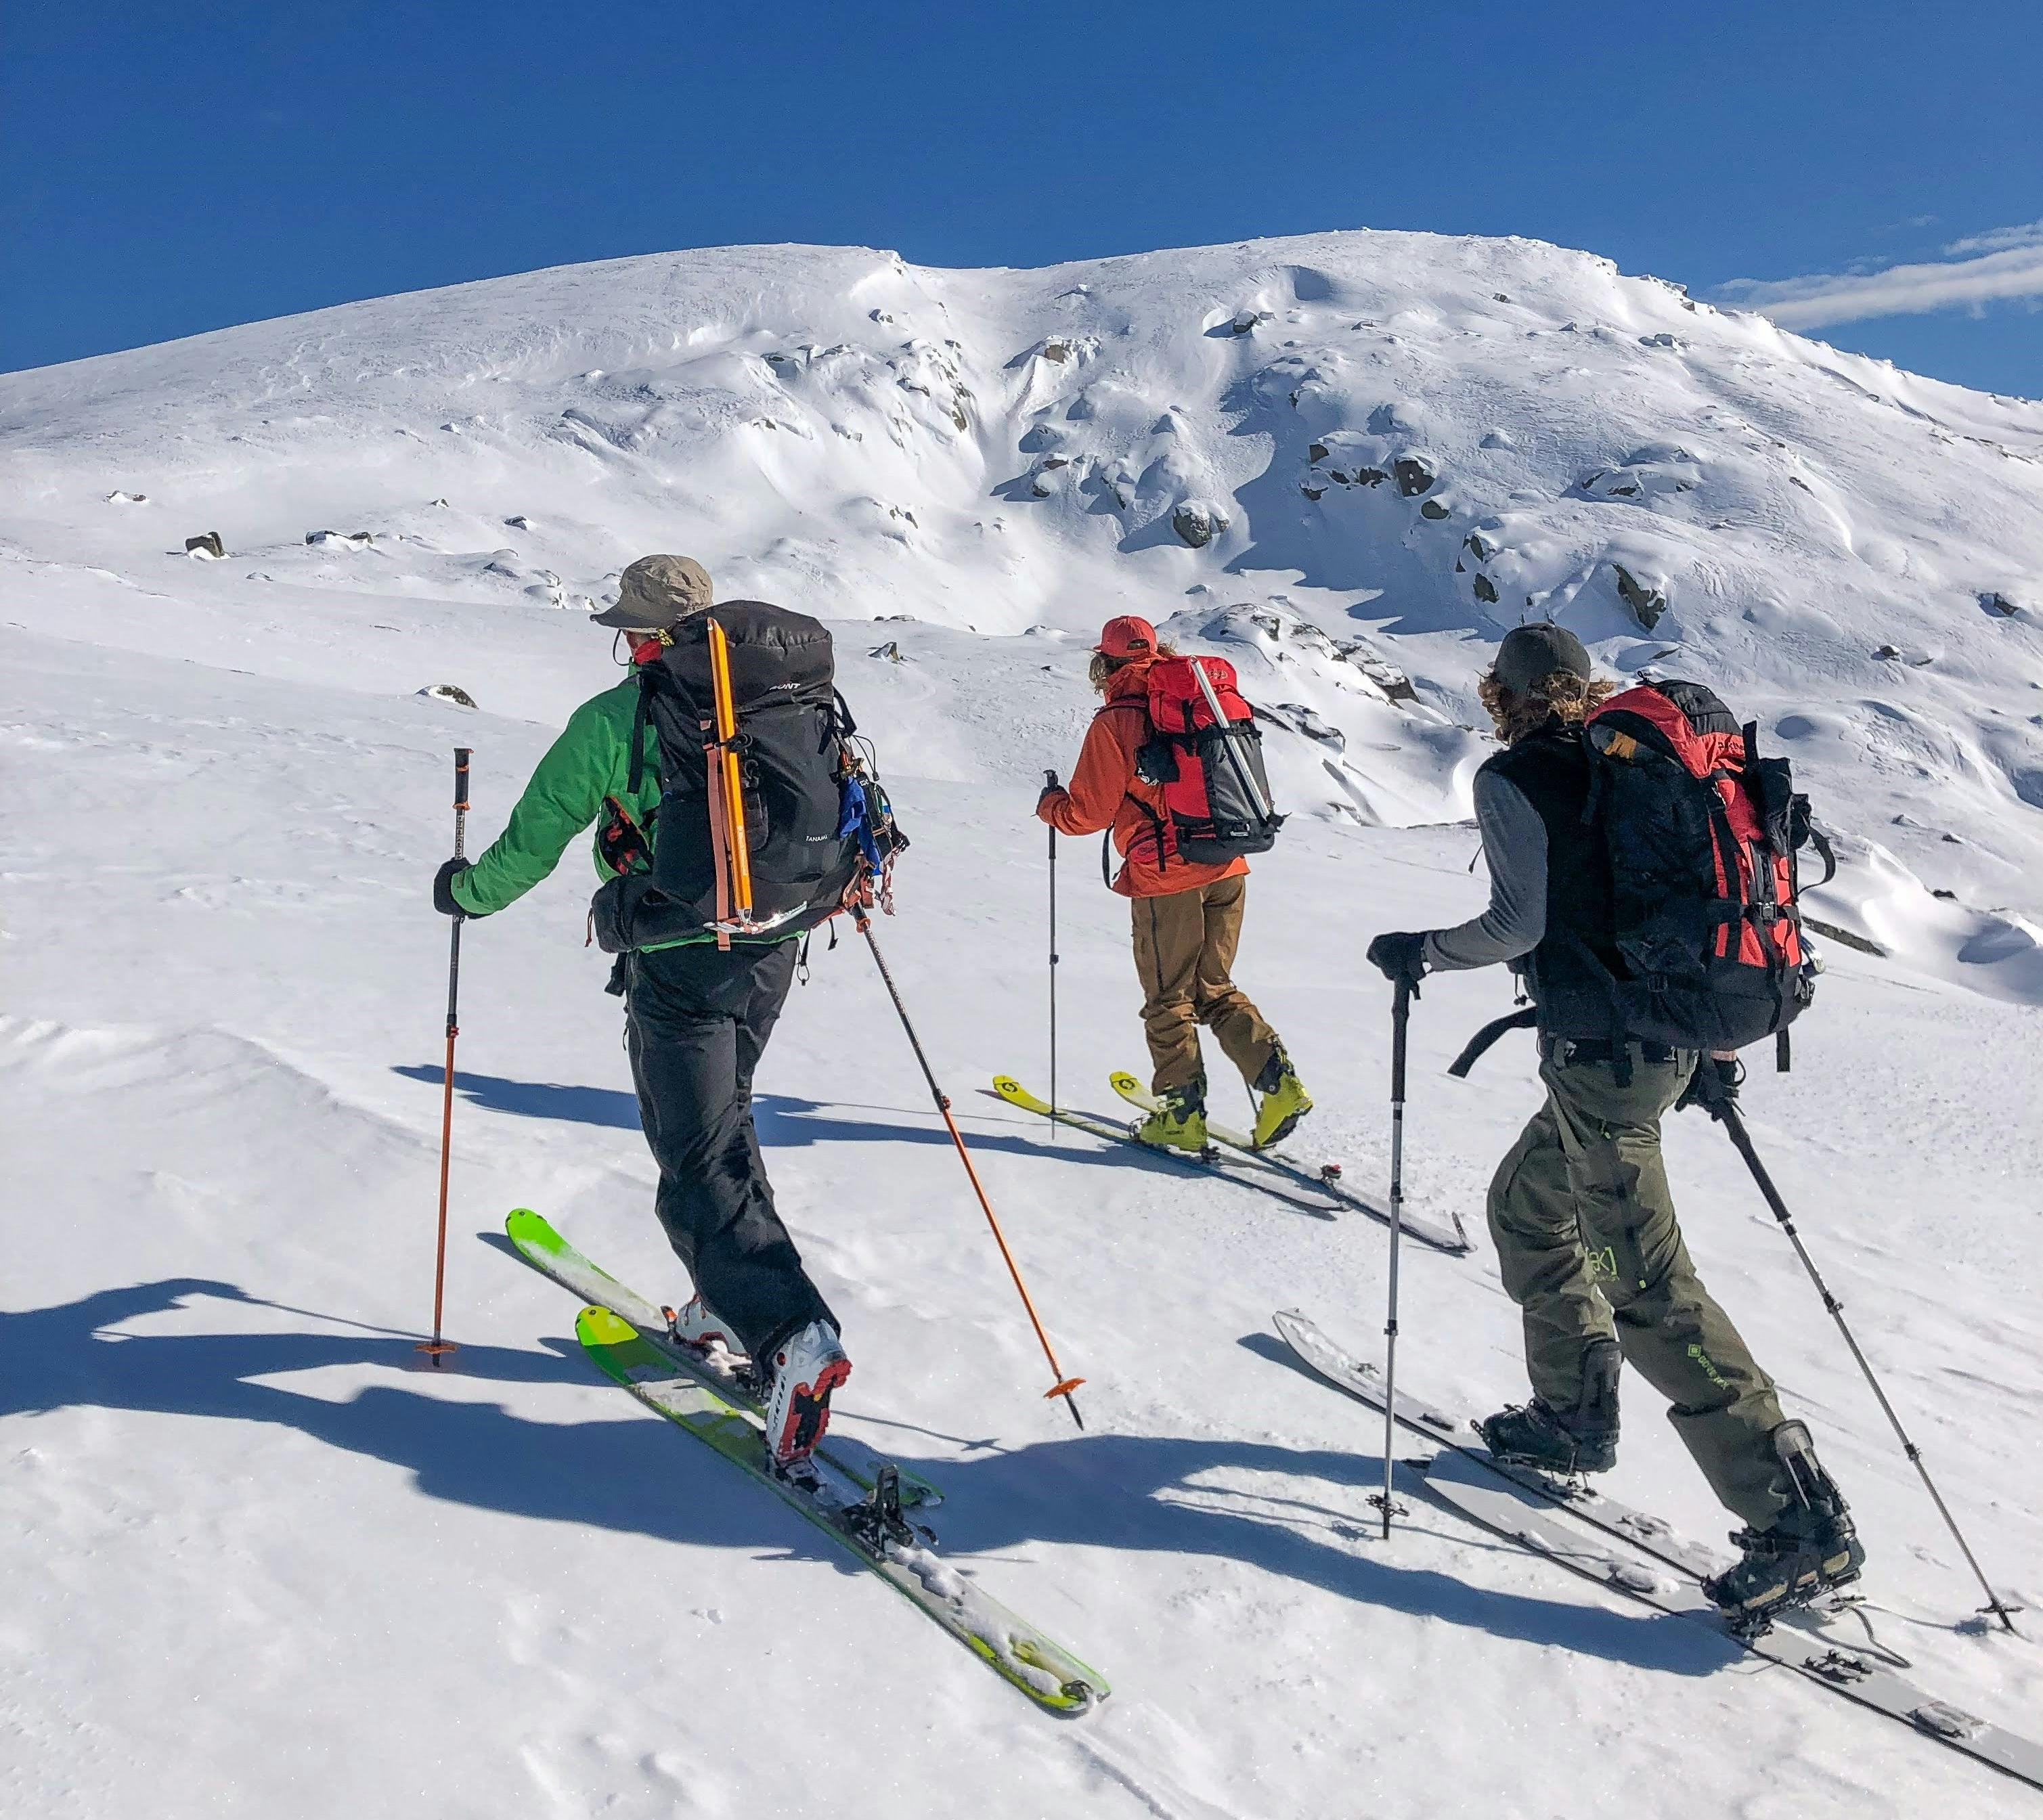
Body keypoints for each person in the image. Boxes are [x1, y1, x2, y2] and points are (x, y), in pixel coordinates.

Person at [1365, 623, 1864, 1623]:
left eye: (1491, 694)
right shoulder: (1628, 764)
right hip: (1656, 1046)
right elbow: (1668, 908)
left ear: (1503, 695)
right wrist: (1705, 1052)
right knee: (1525, 1206)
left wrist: (1419, 948)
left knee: (1646, 1284)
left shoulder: (1520, 779)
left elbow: (1519, 925)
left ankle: (1796, 1523)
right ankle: (1571, 1415)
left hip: (1606, 1061)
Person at [433, 554, 849, 1471]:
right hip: (772, 944)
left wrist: (467, 894)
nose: (621, 643)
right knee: (723, 1123)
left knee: (693, 1158)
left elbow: (533, 840)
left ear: (647, 637)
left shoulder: (614, 720)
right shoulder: (778, 704)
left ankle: (790, 1336)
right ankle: (727, 1297)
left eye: (626, 628)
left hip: (676, 960)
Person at [1036, 615, 1311, 1153]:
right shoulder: (1201, 698)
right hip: (1229, 862)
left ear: (1106, 662)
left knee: (1168, 997)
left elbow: (1087, 813)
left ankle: (1180, 1114)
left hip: (1167, 876)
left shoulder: (1117, 720)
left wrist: (1051, 808)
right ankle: (1281, 1086)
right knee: (1214, 987)